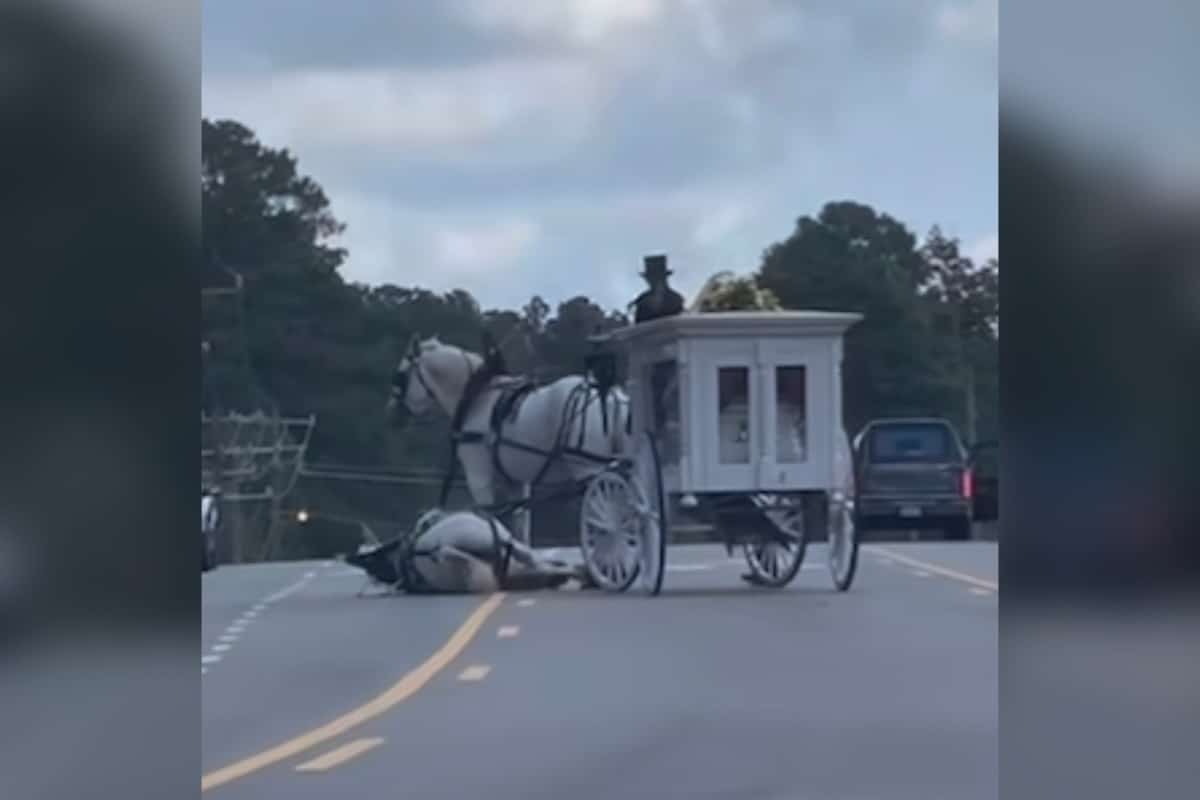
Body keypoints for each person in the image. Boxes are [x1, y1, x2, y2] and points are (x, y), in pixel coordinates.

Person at [630, 254, 685, 324]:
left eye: (657, 277)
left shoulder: (675, 298)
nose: (651, 281)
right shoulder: (642, 300)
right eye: (651, 277)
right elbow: (638, 325)